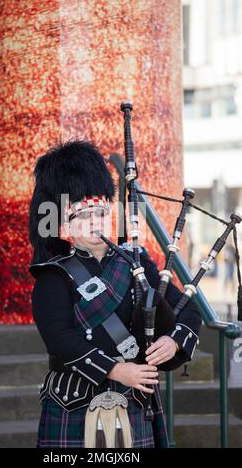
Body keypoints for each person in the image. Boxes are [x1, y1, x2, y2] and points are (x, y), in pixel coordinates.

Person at [28, 140, 202, 448]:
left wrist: (173, 341)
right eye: (82, 215)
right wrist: (117, 370)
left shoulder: (136, 263)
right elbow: (60, 340)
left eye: (100, 212)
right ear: (64, 224)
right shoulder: (52, 275)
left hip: (133, 399)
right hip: (75, 400)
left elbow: (188, 309)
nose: (94, 222)